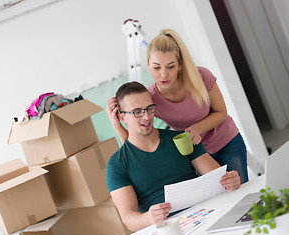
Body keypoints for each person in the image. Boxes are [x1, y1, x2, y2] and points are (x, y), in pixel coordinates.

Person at [106, 29, 248, 184]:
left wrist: (195, 129)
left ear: (179, 64)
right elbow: (137, 143)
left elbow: (221, 112)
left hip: (227, 142)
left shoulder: (201, 77)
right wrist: (117, 123)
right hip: (195, 153)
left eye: (170, 66)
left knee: (241, 191)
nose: (164, 74)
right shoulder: (150, 98)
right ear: (148, 65)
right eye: (156, 67)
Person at [105, 82, 241, 232]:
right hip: (165, 229)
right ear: (122, 117)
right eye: (137, 111)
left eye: (150, 108)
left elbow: (218, 179)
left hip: (204, 217)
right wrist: (149, 218)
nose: (147, 116)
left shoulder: (181, 139)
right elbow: (128, 219)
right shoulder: (116, 164)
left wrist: (230, 180)